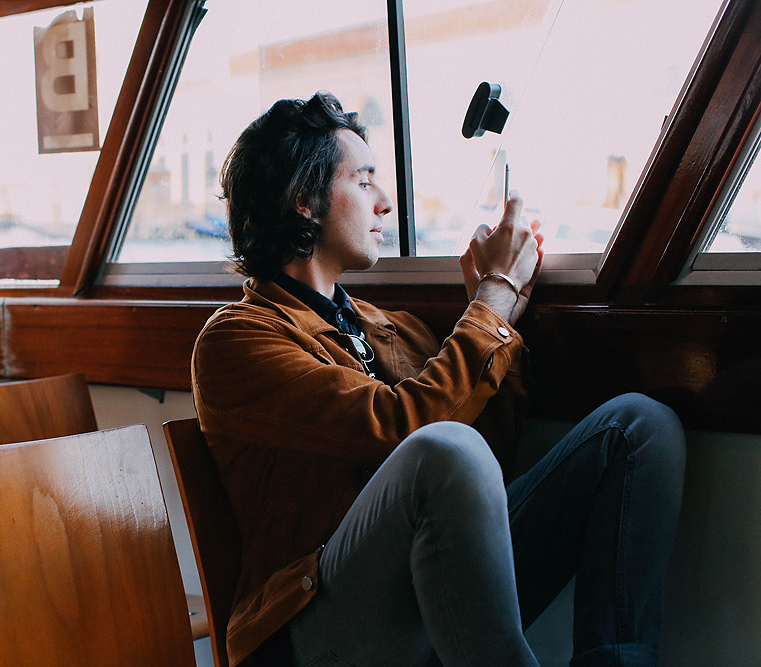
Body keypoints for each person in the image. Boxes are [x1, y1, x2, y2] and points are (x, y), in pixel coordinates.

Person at [191, 91, 685, 667]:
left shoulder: (389, 327)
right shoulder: (237, 340)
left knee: (638, 426)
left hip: (427, 583)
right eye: (365, 181)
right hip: (312, 626)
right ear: (305, 200)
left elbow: (489, 461)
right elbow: (409, 430)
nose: (385, 202)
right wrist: (492, 299)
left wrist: (501, 316)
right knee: (444, 448)